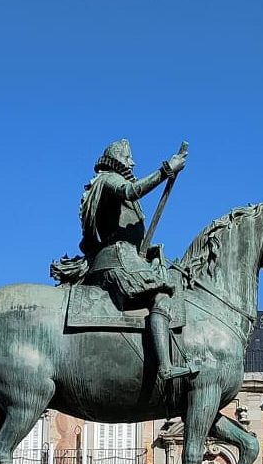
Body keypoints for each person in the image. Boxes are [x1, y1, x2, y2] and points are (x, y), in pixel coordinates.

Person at [70, 139, 197, 382]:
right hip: (117, 259)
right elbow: (131, 191)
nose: (133, 162)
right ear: (118, 160)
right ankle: (165, 367)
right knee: (160, 296)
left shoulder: (113, 182)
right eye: (129, 158)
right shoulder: (108, 180)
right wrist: (166, 169)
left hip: (127, 257)